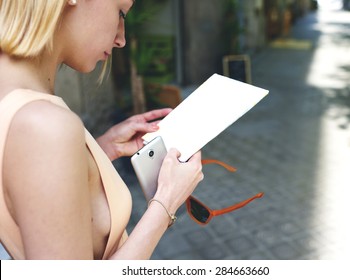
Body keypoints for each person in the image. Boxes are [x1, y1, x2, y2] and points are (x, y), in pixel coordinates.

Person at [0, 0, 204, 259]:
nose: (121, 39)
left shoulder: (18, 105)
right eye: (120, 12)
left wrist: (97, 153)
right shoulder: (44, 126)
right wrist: (167, 201)